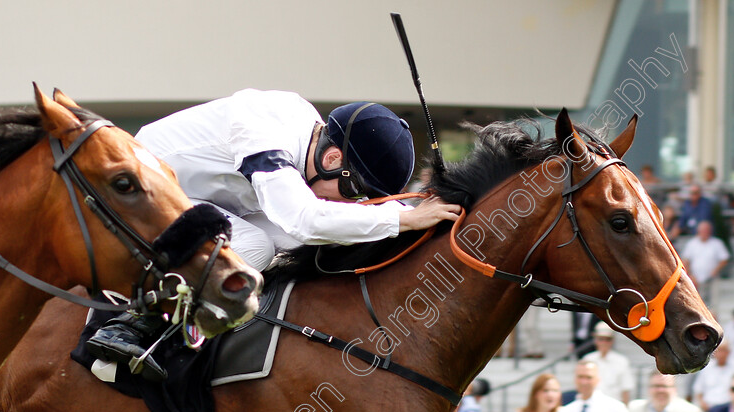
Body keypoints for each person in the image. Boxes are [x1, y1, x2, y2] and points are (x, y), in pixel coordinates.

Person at [84, 89, 462, 380]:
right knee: (256, 245)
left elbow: (320, 225)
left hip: (209, 197)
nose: (353, 203)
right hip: (141, 196)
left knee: (301, 245)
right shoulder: (264, 131)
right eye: (352, 191)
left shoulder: (309, 139)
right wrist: (402, 221)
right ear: (332, 160)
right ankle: (135, 325)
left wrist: (417, 212)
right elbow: (303, 219)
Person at [583, 322, 635, 404]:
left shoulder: (622, 361)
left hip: (614, 407)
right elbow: (583, 385)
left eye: (607, 339)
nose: (604, 342)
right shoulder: (588, 359)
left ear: (612, 341)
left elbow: (626, 389)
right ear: (595, 340)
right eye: (601, 339)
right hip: (592, 405)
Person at [680, 220, 730, 305]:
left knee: (714, 302)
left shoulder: (716, 243)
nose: (704, 232)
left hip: (712, 278)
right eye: (703, 230)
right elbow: (685, 260)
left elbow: (724, 259)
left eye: (706, 230)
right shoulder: (692, 243)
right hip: (696, 279)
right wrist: (690, 275)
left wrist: (715, 270)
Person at [692, 341, 734, 411]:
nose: (721, 354)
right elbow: (698, 390)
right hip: (709, 407)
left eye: (724, 351)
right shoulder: (706, 368)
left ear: (729, 352)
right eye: (719, 351)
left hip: (728, 409)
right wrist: (703, 404)